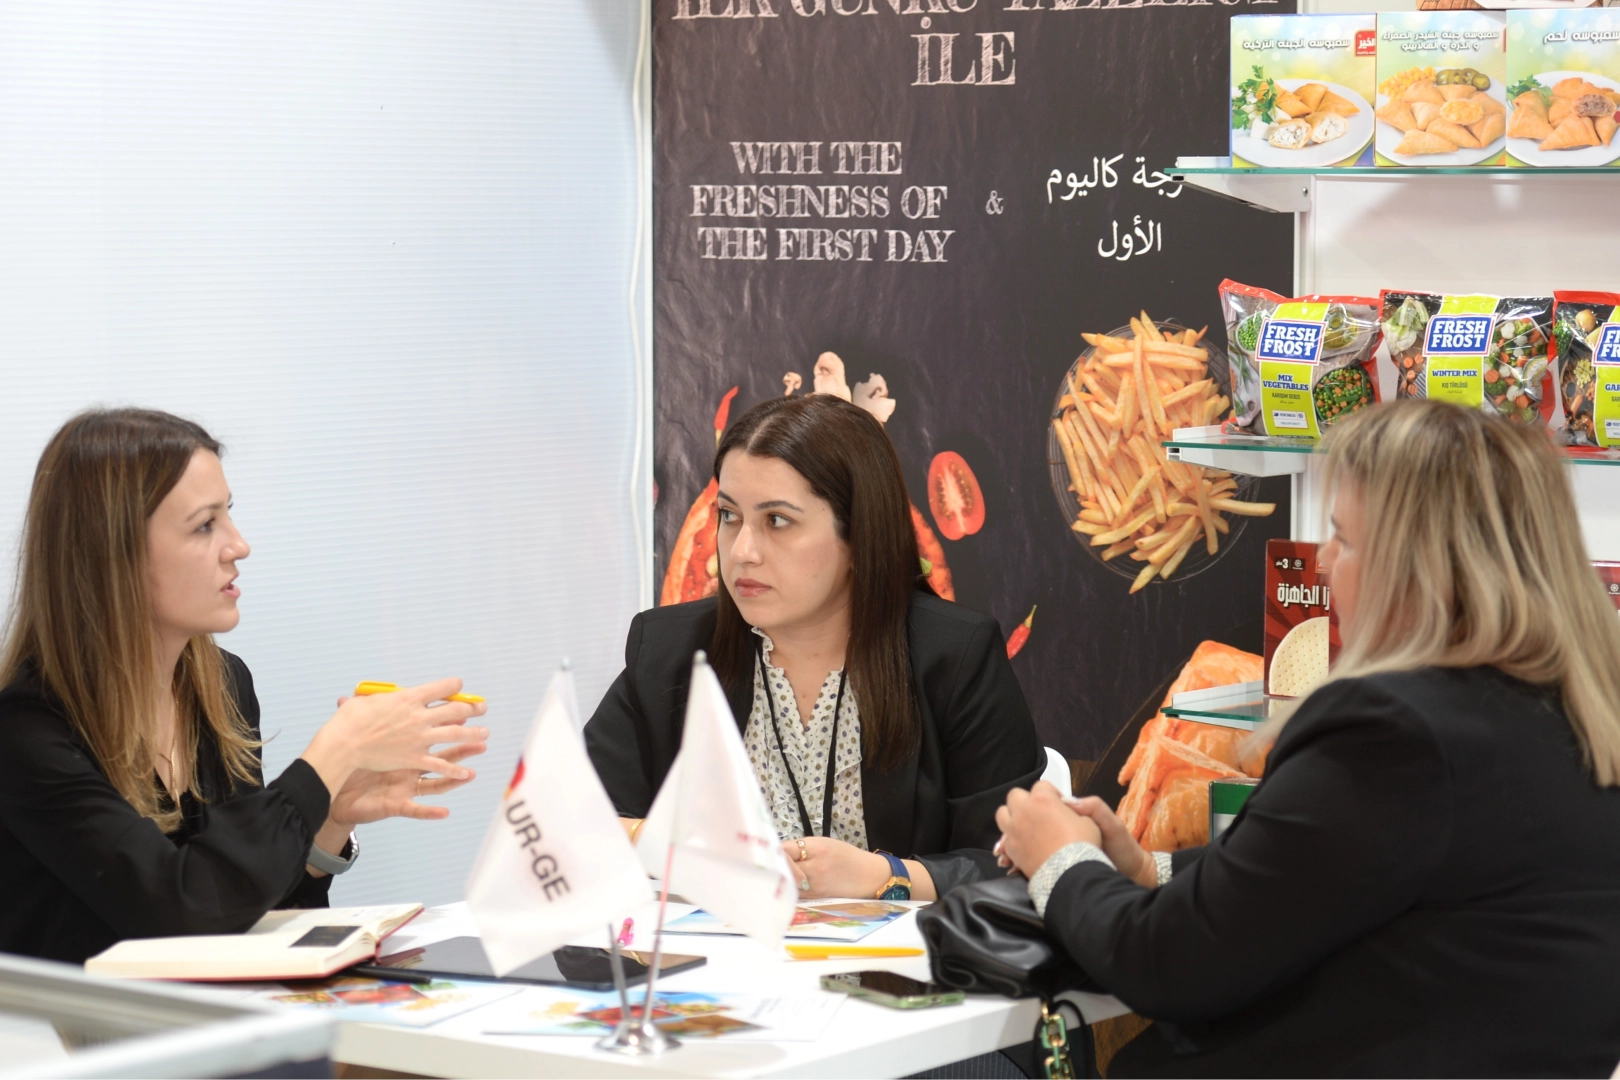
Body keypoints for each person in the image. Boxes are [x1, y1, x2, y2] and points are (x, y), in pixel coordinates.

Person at [995, 399, 1620, 1079]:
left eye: (1343, 539)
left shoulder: (1396, 730)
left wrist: (1059, 860)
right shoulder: (1575, 718)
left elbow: (1173, 964)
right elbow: (1322, 881)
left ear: (1417, 569)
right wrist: (1150, 871)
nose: (1322, 563)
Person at [0, 408, 489, 964]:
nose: (238, 545)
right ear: (113, 553)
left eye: (228, 515)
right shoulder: (25, 731)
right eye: (204, 526)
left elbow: (241, 913)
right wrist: (334, 753)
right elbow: (179, 912)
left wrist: (329, 821)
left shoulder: (224, 686)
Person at [585, 394, 1045, 902]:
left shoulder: (955, 656)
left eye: (777, 521)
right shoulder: (669, 649)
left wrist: (886, 876)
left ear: (859, 535)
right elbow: (564, 818)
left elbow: (1023, 865)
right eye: (729, 515)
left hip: (902, 955)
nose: (742, 551)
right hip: (717, 949)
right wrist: (669, 843)